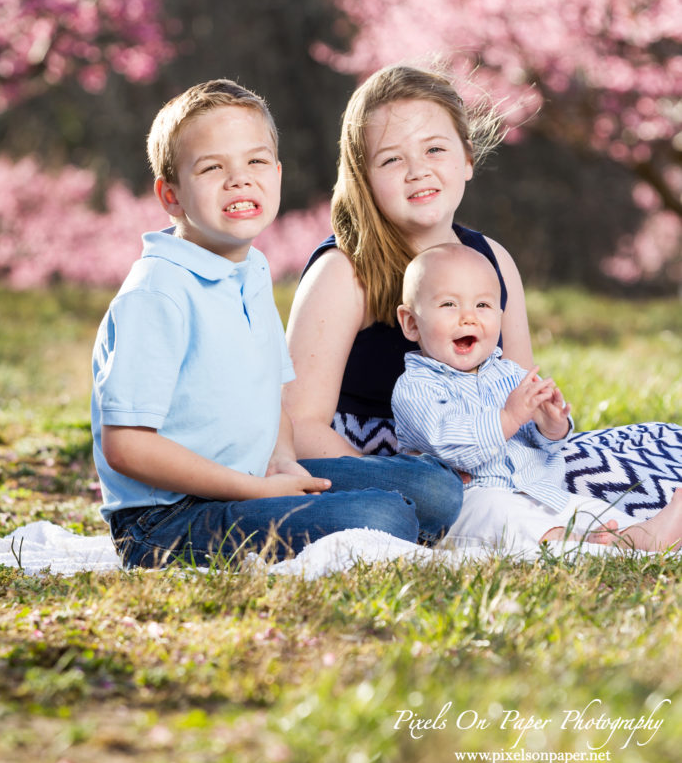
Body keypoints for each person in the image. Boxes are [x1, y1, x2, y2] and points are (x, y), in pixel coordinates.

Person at [91, 79, 462, 570]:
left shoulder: (251, 271)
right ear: (171, 195)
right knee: (382, 516)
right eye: (212, 167)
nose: (239, 180)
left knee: (435, 488)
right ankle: (350, 520)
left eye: (256, 162)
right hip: (167, 518)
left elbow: (274, 400)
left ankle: (330, 511)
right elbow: (126, 447)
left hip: (252, 474)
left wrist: (283, 461)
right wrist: (256, 490)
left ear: (278, 173)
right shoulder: (158, 292)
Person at [285, 62, 682, 518]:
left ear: (468, 160)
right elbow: (301, 424)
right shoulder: (344, 270)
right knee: (474, 502)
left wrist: (548, 422)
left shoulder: (491, 257)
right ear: (364, 177)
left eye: (435, 149)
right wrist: (396, 485)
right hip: (393, 453)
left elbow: (519, 391)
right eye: (392, 159)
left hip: (493, 440)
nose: (418, 170)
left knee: (663, 444)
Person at [392, 243, 682, 553]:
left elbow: (545, 446)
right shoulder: (415, 387)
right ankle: (581, 547)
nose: (469, 318)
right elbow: (449, 441)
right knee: (501, 516)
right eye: (449, 304)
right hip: (467, 502)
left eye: (483, 306)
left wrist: (552, 426)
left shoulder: (510, 375)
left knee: (581, 508)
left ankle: (635, 534)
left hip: (538, 491)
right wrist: (508, 418)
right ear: (411, 323)